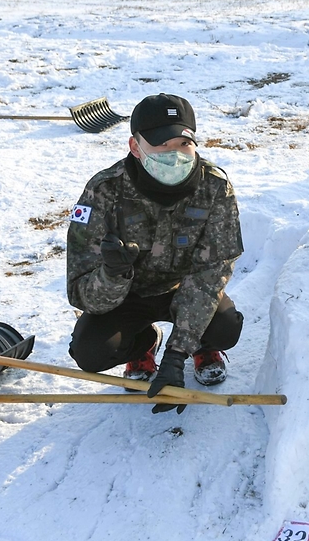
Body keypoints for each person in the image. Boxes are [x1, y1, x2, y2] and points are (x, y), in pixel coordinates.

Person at [66, 93, 244, 414]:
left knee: (225, 328)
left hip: (187, 290)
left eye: (183, 143)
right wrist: (113, 275)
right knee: (90, 352)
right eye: (161, 144)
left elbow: (212, 273)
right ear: (135, 147)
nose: (174, 154)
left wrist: (178, 354)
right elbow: (80, 293)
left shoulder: (215, 187)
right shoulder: (103, 191)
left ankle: (202, 348)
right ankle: (143, 343)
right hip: (126, 297)